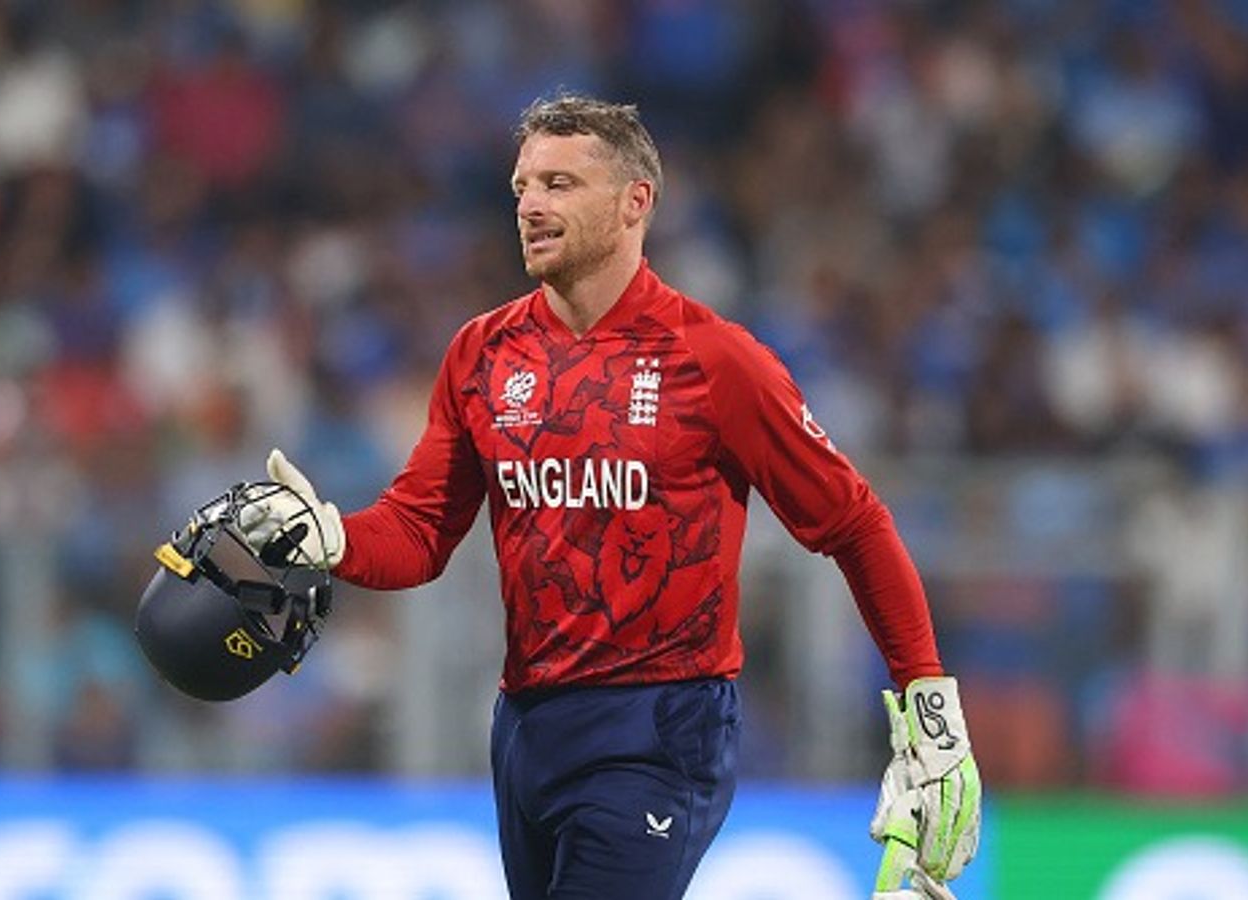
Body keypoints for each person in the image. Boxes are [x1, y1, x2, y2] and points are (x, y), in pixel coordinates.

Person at [239, 93, 981, 900]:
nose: (530, 206)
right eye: (522, 186)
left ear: (636, 203)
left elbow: (854, 523)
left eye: (560, 184)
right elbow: (420, 531)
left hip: (661, 728)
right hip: (526, 727)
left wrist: (928, 704)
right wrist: (332, 537)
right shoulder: (481, 353)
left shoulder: (716, 361)